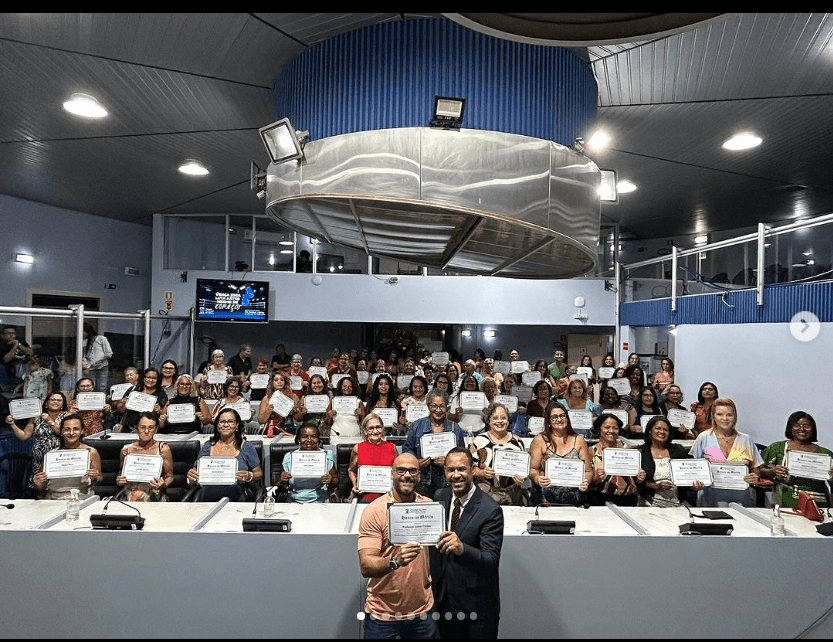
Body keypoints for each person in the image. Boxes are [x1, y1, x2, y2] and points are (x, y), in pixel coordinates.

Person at [357, 452, 437, 639]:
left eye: (412, 471)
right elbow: (365, 566)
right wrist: (395, 560)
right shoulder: (375, 511)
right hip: (383, 615)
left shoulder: (429, 507)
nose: (407, 475)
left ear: (418, 475)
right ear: (392, 473)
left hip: (422, 612)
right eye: (401, 470)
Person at [431, 447, 504, 639]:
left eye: (461, 469)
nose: (456, 475)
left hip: (476, 610)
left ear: (472, 469)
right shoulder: (440, 497)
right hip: (444, 603)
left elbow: (491, 559)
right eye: (450, 470)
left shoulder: (490, 510)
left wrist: (462, 548)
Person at [689, 397, 763, 507]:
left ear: (735, 417)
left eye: (729, 415)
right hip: (710, 500)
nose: (725, 418)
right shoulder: (703, 438)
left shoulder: (746, 440)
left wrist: (755, 476)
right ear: (713, 416)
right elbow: (693, 468)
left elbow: (756, 468)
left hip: (742, 501)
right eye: (719, 414)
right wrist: (695, 483)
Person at [759, 411, 833, 508]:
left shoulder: (825, 454)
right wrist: (773, 471)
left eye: (806, 426)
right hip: (784, 503)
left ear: (813, 429)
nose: (802, 429)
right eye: (796, 425)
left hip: (818, 505)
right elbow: (758, 470)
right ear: (790, 428)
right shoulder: (777, 448)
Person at [187, 408, 263, 502]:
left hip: (238, 493)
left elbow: (258, 473)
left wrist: (249, 476)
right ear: (217, 425)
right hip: (209, 493)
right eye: (222, 422)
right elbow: (196, 470)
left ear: (237, 425)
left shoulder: (247, 447)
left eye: (230, 421)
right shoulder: (207, 446)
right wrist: (192, 475)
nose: (226, 425)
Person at [403, 389, 465, 499]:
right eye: (434, 406)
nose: (438, 410)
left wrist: (448, 462)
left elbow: (462, 456)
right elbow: (407, 449)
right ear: (428, 407)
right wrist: (416, 462)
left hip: (447, 481)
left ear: (446, 407)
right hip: (423, 480)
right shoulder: (417, 426)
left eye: (442, 406)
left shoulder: (455, 428)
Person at [528, 402, 593, 506]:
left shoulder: (579, 440)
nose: (559, 420)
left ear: (567, 418)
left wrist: (585, 482)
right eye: (554, 417)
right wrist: (537, 479)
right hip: (545, 498)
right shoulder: (540, 440)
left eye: (562, 416)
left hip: (574, 498)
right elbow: (532, 469)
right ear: (548, 421)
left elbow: (588, 471)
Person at [6, 391, 67, 491]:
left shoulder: (67, 417)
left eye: (59, 400)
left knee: (58, 486)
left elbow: (63, 434)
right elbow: (24, 436)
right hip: (39, 458)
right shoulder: (36, 417)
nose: (56, 402)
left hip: (59, 456)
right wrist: (12, 424)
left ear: (62, 404)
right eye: (52, 399)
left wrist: (49, 421)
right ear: (46, 403)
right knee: (40, 486)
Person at [32, 414, 102, 500]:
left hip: (81, 497)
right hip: (54, 498)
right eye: (67, 429)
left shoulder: (91, 452)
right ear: (61, 432)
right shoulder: (51, 455)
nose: (71, 433)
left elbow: (99, 478)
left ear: (82, 431)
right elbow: (41, 486)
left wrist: (94, 477)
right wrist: (38, 483)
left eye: (75, 429)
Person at [470, 402, 527, 505]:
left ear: (508, 420)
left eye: (503, 418)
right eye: (495, 418)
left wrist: (521, 478)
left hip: (512, 495)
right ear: (488, 420)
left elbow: (524, 469)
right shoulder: (479, 440)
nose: (499, 421)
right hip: (485, 493)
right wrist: (482, 473)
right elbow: (469, 469)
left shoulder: (517, 441)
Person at [639, 416, 703, 507]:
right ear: (650, 430)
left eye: (666, 430)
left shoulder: (678, 450)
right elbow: (637, 483)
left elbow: (688, 475)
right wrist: (656, 486)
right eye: (658, 428)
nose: (662, 432)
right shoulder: (640, 452)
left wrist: (694, 486)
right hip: (649, 503)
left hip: (678, 502)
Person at [587, 413, 646, 506]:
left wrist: (639, 477)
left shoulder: (627, 448)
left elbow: (635, 476)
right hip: (601, 498)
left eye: (615, 428)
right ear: (599, 429)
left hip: (627, 499)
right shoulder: (591, 451)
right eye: (607, 427)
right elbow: (588, 479)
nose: (611, 431)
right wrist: (596, 478)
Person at [116, 411, 174, 501]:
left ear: (156, 429)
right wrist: (120, 480)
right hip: (131, 491)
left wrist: (163, 484)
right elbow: (121, 473)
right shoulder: (127, 450)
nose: (146, 431)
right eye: (142, 428)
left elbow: (169, 477)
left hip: (154, 490)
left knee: (139, 497)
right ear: (136, 429)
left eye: (151, 428)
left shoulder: (163, 449)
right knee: (136, 496)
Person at [277, 424, 336, 503]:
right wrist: (282, 479)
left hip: (320, 500)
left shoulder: (326, 456)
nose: (309, 440)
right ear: (298, 439)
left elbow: (336, 481)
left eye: (314, 436)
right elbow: (279, 483)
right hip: (293, 501)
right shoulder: (289, 457)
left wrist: (331, 480)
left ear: (318, 439)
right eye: (304, 436)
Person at [348, 413, 397, 503]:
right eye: (371, 428)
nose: (375, 431)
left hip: (387, 498)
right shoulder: (358, 448)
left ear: (383, 429)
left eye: (378, 427)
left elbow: (397, 471)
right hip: (364, 498)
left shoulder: (392, 447)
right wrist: (355, 485)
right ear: (365, 431)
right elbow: (351, 470)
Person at [116, 367, 167, 432]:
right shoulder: (133, 390)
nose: (150, 380)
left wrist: (158, 411)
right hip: (130, 429)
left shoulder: (161, 394)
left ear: (158, 380)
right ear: (143, 378)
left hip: (150, 432)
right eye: (148, 377)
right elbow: (121, 410)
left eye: (154, 378)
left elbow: (163, 417)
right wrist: (123, 402)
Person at [257, 371, 302, 436]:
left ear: (285, 382)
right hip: (272, 430)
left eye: (282, 380)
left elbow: (299, 419)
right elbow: (261, 421)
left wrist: (296, 411)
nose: (279, 382)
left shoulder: (293, 397)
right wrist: (268, 412)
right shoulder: (266, 399)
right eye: (276, 380)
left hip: (289, 429)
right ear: (272, 382)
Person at [326, 375, 365, 445]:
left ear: (353, 388)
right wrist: (329, 415)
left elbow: (364, 423)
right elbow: (327, 422)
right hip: (336, 437)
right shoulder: (334, 401)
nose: (347, 388)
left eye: (350, 386)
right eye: (344, 386)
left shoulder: (358, 402)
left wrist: (362, 414)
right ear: (341, 388)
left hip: (354, 437)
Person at [82, 323, 113, 392]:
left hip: (102, 366)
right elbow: (84, 355)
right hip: (90, 368)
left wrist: (98, 361)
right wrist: (85, 363)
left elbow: (109, 353)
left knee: (102, 386)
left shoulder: (101, 338)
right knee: (90, 386)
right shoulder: (84, 342)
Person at [1, 326, 33, 391]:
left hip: (25, 369)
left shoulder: (20, 340)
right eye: (8, 333)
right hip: (9, 372)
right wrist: (15, 346)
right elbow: (6, 360)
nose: (11, 335)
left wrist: (19, 345)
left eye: (13, 333)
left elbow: (30, 352)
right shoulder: (2, 344)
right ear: (3, 336)